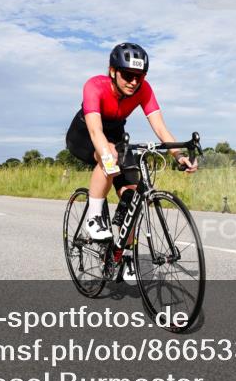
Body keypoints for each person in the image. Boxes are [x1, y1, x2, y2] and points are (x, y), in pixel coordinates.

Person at [65, 43, 197, 263]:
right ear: (113, 71)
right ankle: (94, 218)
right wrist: (107, 157)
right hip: (85, 134)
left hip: (116, 136)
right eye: (128, 75)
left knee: (132, 194)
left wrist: (179, 156)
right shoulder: (94, 86)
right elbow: (96, 131)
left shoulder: (143, 90)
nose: (134, 82)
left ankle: (124, 256)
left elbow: (161, 129)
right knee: (109, 156)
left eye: (140, 76)